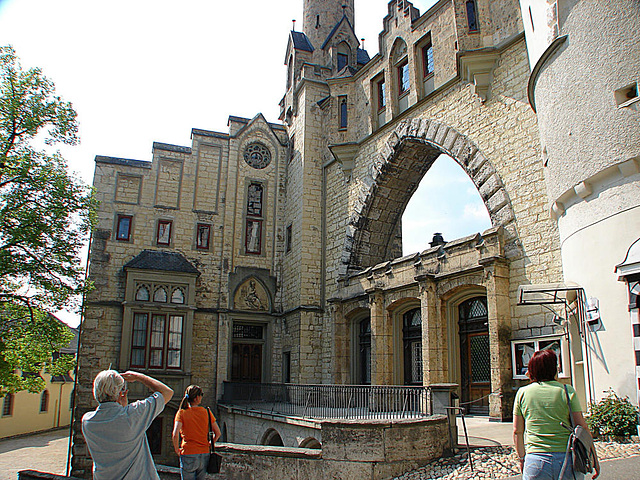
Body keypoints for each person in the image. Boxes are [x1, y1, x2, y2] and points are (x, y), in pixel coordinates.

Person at [513, 349, 600, 479]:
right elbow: (582, 427)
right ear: (554, 368)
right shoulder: (566, 391)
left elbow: (517, 431)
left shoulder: (523, 393)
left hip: (535, 458)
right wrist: (594, 459)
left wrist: (521, 459)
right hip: (567, 458)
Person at [82, 369, 174, 480]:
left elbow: (114, 426)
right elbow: (167, 392)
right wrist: (139, 376)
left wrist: (122, 407)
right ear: (121, 393)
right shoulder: (133, 414)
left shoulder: (87, 421)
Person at [172, 385, 222, 480]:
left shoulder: (182, 413)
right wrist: (210, 444)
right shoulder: (207, 412)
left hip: (188, 452)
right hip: (204, 452)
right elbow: (218, 433)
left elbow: (175, 434)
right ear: (197, 398)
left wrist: (176, 449)